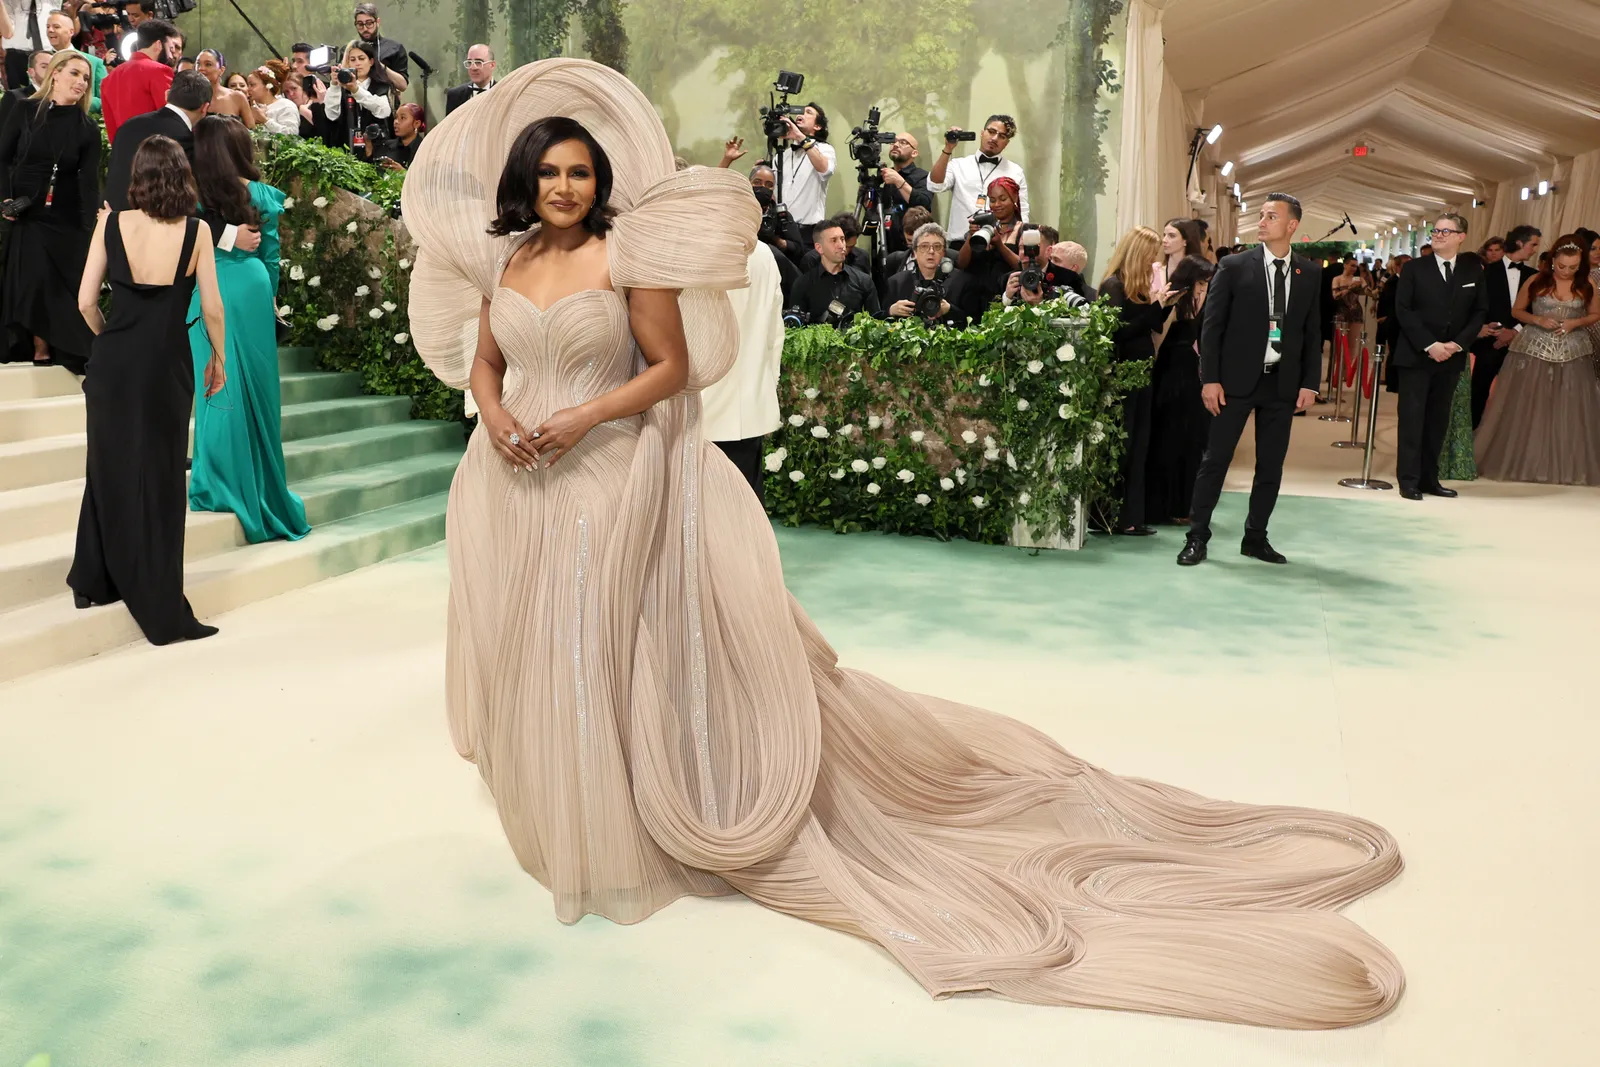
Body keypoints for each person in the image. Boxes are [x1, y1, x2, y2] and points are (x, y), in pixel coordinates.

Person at [402, 59, 1403, 1030]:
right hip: (518, 475)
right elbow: (485, 358)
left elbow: (669, 371)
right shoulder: (511, 260)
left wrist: (576, 420)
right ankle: (581, 810)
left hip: (606, 470)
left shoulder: (630, 258)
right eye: (549, 173)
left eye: (579, 171)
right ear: (524, 184)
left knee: (615, 639)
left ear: (599, 180)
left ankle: (641, 811)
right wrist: (492, 414)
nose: (566, 187)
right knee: (549, 640)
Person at [69, 134, 226, 644]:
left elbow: (86, 301)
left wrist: (109, 343)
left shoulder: (111, 223)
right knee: (159, 477)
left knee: (107, 466)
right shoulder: (197, 231)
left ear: (137, 175)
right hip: (166, 364)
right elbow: (212, 308)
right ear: (183, 176)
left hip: (113, 362)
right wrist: (219, 358)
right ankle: (159, 603)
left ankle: (93, 579)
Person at [1178, 194, 1322, 567]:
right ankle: (1197, 537)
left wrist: (1310, 382)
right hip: (1234, 381)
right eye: (1260, 215)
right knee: (1216, 461)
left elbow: (1310, 331)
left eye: (1271, 216)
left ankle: (1256, 537)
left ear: (1292, 226)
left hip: (1282, 383)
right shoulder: (1234, 265)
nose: (1262, 221)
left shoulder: (1309, 273)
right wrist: (1210, 378)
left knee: (1271, 465)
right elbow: (1212, 327)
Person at [186, 115, 310, 544]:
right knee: (257, 390)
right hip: (254, 290)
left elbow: (185, 243)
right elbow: (272, 259)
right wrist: (267, 300)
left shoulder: (193, 196)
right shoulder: (260, 194)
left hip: (210, 289)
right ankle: (265, 489)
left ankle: (220, 484)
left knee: (216, 388)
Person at [0, 48, 100, 373]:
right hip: (24, 213)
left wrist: (91, 232)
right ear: (54, 73)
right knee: (33, 278)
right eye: (74, 73)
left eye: (86, 77)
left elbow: (89, 185)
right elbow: (2, 157)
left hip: (66, 217)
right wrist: (5, 199)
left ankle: (65, 352)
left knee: (63, 286)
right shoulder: (24, 110)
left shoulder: (87, 128)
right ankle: (39, 347)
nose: (82, 82)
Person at [1475, 236, 1600, 485]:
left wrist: (1575, 322)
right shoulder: (1536, 280)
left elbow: (1595, 314)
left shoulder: (1587, 284)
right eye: (1562, 266)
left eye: (1573, 267)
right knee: (1530, 405)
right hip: (1534, 349)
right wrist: (1538, 320)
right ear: (1553, 261)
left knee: (1568, 407)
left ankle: (1566, 465)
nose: (1566, 272)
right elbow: (1517, 311)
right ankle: (1524, 460)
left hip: (1574, 351)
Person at [1391, 213, 1486, 500]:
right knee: (1412, 420)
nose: (1440, 235)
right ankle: (1408, 479)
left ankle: (1430, 479)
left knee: (1437, 420)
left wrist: (1457, 344)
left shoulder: (1472, 271)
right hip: (1416, 356)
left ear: (1461, 237)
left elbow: (1480, 311)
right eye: (1437, 230)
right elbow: (1403, 310)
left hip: (1452, 357)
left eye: (1447, 231)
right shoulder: (1414, 269)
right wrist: (1430, 344)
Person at [1099, 226, 1179, 536]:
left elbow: (1151, 326)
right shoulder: (1113, 285)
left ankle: (1132, 516)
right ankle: (1116, 517)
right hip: (1123, 374)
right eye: (1149, 256)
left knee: (1140, 444)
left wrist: (1165, 304)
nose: (1153, 262)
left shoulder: (1136, 287)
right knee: (1125, 444)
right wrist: (1155, 308)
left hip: (1142, 370)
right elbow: (1117, 332)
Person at [702, 236, 784, 503]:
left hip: (698, 407)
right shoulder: (763, 253)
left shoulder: (693, 249)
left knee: (704, 513)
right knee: (746, 509)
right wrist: (768, 386)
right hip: (751, 404)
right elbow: (775, 334)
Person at [1145, 254, 1216, 525]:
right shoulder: (1173, 299)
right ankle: (1165, 506)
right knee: (1170, 440)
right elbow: (1158, 337)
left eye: (1206, 283)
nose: (1203, 288)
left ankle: (1184, 505)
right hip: (1171, 375)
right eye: (1200, 282)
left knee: (1192, 441)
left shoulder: (1201, 301)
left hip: (1193, 374)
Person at [104, 69, 211, 209]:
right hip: (152, 224)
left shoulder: (129, 125)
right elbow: (185, 200)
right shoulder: (185, 139)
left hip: (111, 219)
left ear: (167, 95)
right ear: (205, 108)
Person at [1471, 223, 1539, 427]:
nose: (1535, 249)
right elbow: (1479, 306)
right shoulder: (1486, 273)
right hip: (1491, 342)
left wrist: (1515, 331)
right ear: (1520, 242)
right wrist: (1500, 331)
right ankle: (1473, 436)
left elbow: (1537, 308)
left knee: (1517, 395)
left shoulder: (1534, 275)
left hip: (1522, 343)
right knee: (1479, 391)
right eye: (1533, 244)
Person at [927, 114, 1028, 231]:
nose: (994, 138)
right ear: (982, 133)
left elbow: (1022, 211)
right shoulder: (958, 165)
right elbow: (935, 185)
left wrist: (1019, 240)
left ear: (1006, 143)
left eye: (1002, 136)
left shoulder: (1015, 171)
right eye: (991, 131)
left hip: (999, 242)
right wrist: (948, 148)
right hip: (960, 243)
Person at [789, 214, 879, 326]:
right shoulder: (803, 284)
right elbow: (795, 328)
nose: (842, 246)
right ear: (819, 248)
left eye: (842, 239)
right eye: (834, 240)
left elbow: (875, 322)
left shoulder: (863, 281)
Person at [99, 17, 177, 142]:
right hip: (155, 154)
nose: (171, 55)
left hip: (123, 155)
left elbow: (111, 130)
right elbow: (170, 120)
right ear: (158, 44)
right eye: (170, 48)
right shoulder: (160, 71)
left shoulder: (108, 80)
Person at [953, 175, 1026, 306]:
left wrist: (1000, 245)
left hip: (1005, 296)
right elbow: (961, 264)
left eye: (1002, 199)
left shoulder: (1023, 230)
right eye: (992, 200)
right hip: (972, 297)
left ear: (1014, 198)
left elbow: (1023, 266)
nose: (997, 204)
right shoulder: (981, 226)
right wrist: (971, 236)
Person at [885, 222, 971, 327]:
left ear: (944, 252)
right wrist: (891, 311)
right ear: (915, 252)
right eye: (924, 246)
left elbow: (975, 321)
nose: (931, 251)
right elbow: (879, 322)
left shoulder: (963, 282)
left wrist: (950, 310)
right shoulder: (896, 282)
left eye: (937, 246)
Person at [774, 100, 834, 245]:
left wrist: (800, 137)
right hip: (780, 229)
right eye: (800, 112)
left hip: (808, 232)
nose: (801, 114)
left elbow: (825, 170)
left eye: (809, 112)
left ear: (817, 126)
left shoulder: (825, 149)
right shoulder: (782, 155)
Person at [324, 40, 394, 153]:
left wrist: (356, 90)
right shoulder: (340, 87)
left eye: (361, 59)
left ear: (371, 61)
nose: (357, 63)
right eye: (352, 60)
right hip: (346, 149)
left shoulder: (382, 86)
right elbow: (331, 115)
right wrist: (335, 85)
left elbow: (384, 111)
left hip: (377, 148)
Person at [879, 131, 931, 256]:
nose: (896, 145)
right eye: (894, 141)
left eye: (903, 142)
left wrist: (898, 181)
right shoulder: (884, 176)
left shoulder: (922, 176)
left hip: (913, 247)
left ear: (914, 153)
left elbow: (924, 203)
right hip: (885, 243)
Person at [45, 11, 104, 113]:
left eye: (56, 27)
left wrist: (76, 95)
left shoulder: (95, 62)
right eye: (48, 27)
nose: (50, 30)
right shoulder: (40, 61)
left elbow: (105, 100)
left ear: (71, 32)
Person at [351, 2, 408, 94]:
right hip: (353, 103)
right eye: (360, 24)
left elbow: (403, 85)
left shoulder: (394, 48)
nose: (365, 28)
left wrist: (380, 66)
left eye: (369, 23)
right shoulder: (349, 50)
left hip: (383, 104)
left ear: (377, 22)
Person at [193, 48, 257, 129]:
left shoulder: (238, 97)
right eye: (198, 64)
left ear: (221, 70)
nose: (201, 68)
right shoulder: (189, 97)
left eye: (208, 64)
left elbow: (252, 133)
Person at [246, 60, 298, 135]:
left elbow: (292, 135)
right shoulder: (250, 108)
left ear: (267, 85)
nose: (248, 89)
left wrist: (264, 120)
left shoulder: (286, 106)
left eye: (252, 85)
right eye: (248, 85)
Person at [444, 42, 494, 115]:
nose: (473, 68)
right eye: (469, 62)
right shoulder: (454, 95)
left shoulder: (504, 95)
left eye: (478, 62)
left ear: (492, 65)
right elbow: (450, 126)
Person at [371, 100, 423, 169]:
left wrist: (402, 172)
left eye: (402, 118)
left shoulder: (424, 149)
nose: (396, 122)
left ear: (416, 124)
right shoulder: (386, 146)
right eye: (396, 117)